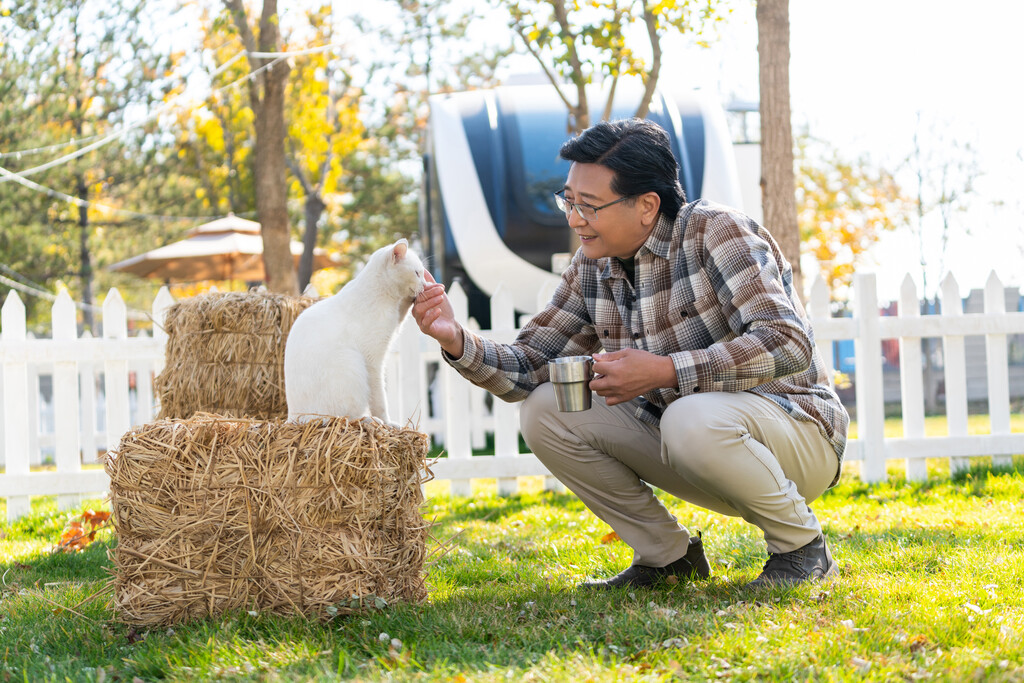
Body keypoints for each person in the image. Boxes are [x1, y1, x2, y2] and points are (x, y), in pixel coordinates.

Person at [412, 118, 849, 590]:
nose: (574, 218)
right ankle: (668, 557)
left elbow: (786, 342)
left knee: (688, 415)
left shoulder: (717, 232)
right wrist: (454, 337)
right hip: (692, 443)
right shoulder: (591, 265)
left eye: (590, 206)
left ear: (646, 206)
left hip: (796, 437)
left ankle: (802, 550)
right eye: (569, 201)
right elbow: (530, 367)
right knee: (546, 408)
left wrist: (664, 371)